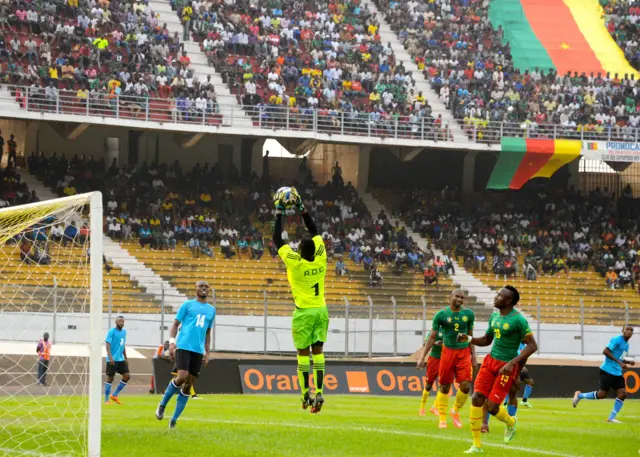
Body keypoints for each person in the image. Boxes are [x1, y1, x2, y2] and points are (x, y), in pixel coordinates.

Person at [459, 286, 537, 454]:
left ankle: (510, 422)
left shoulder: (519, 320)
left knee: (493, 407)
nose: (496, 297)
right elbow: (487, 339)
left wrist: (512, 363)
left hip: (506, 367)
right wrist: (470, 338)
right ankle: (476, 445)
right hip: (490, 362)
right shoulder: (494, 316)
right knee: (477, 398)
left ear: (508, 301)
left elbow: (532, 345)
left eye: (499, 295)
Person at [272, 190, 328, 413]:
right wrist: (302, 208)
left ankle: (306, 394)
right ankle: (321, 392)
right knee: (319, 352)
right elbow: (314, 230)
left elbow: (277, 238)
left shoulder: (295, 262)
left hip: (304, 313)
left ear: (300, 252)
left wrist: (279, 212)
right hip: (321, 310)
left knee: (303, 354)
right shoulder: (322, 258)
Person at [156, 281, 215, 428]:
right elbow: (175, 324)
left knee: (189, 385)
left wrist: (207, 352)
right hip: (183, 346)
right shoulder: (187, 305)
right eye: (201, 286)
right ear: (195, 289)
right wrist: (171, 342)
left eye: (206, 287)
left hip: (198, 350)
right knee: (182, 376)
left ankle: (173, 420)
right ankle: (162, 404)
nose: (204, 289)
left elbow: (208, 332)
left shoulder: (211, 310)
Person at [422, 290, 476, 428]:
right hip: (447, 352)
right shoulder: (441, 315)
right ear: (450, 297)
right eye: (457, 296)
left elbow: (471, 337)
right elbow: (432, 337)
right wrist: (423, 356)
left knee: (466, 386)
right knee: (444, 386)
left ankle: (455, 412)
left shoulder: (468, 314)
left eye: (462, 297)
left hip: (463, 352)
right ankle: (442, 419)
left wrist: (473, 356)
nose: (459, 299)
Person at [573, 325, 634, 423]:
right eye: (627, 329)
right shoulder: (616, 339)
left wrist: (627, 362)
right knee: (602, 394)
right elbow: (605, 351)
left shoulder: (626, 345)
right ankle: (579, 396)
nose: (629, 331)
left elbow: (619, 357)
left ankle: (611, 418)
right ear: (622, 330)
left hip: (617, 373)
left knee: (623, 393)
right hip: (607, 370)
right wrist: (620, 363)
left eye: (631, 330)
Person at [416, 326, 443, 417]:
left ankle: (434, 407)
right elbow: (425, 343)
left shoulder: (450, 329)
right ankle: (422, 407)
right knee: (429, 383)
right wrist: (436, 343)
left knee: (444, 383)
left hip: (445, 359)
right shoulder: (435, 329)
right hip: (434, 358)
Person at [105, 316, 130, 404]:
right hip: (112, 359)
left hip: (121, 359)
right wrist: (110, 357)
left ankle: (114, 395)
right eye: (119, 321)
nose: (121, 323)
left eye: (123, 321)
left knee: (127, 376)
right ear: (116, 322)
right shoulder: (111, 331)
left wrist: (126, 357)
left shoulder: (124, 332)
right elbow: (107, 345)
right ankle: (106, 400)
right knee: (110, 379)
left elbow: (122, 345)